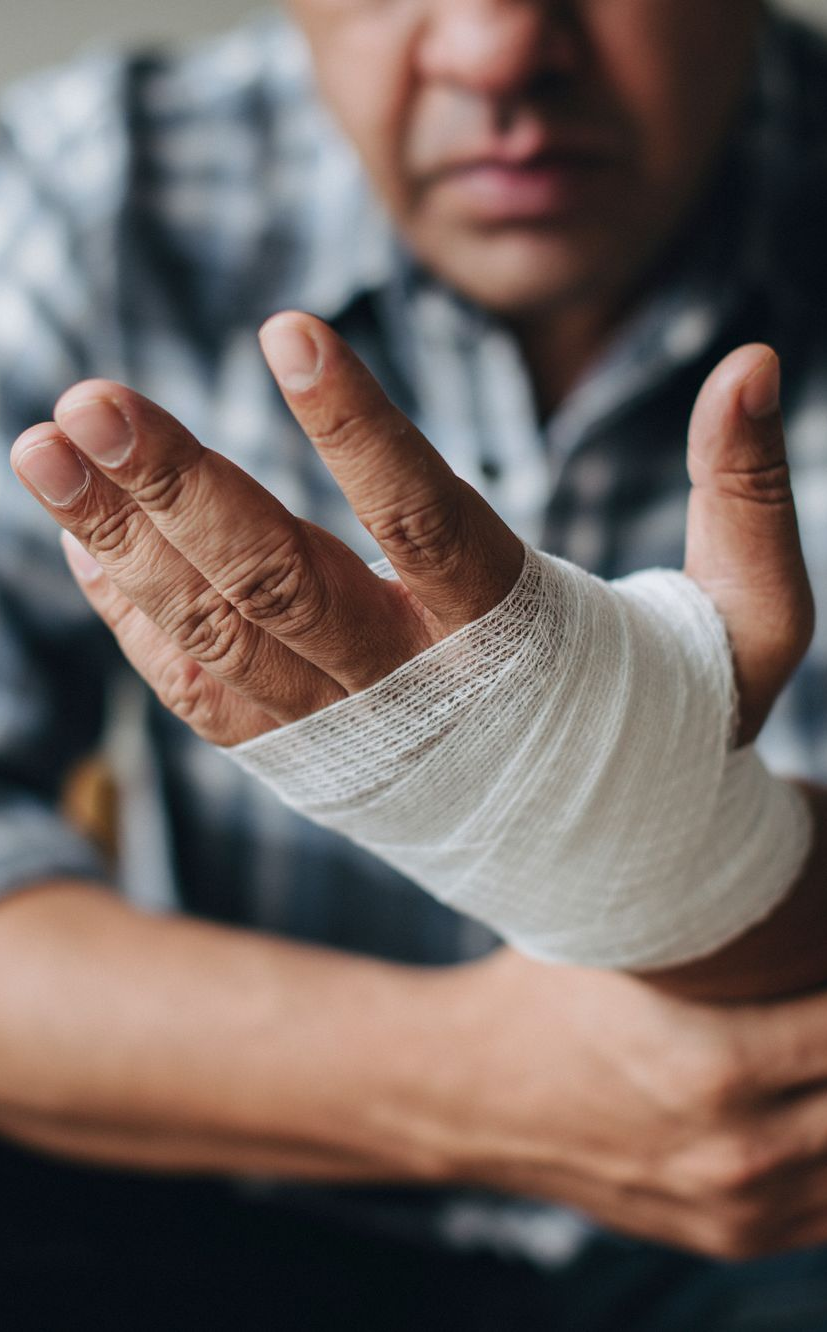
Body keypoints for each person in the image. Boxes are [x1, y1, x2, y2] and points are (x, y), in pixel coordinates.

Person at [2, 0, 827, 1326]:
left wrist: (672, 863)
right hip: (255, 1201)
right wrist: (468, 1085)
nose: (497, 51)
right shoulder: (77, 194)